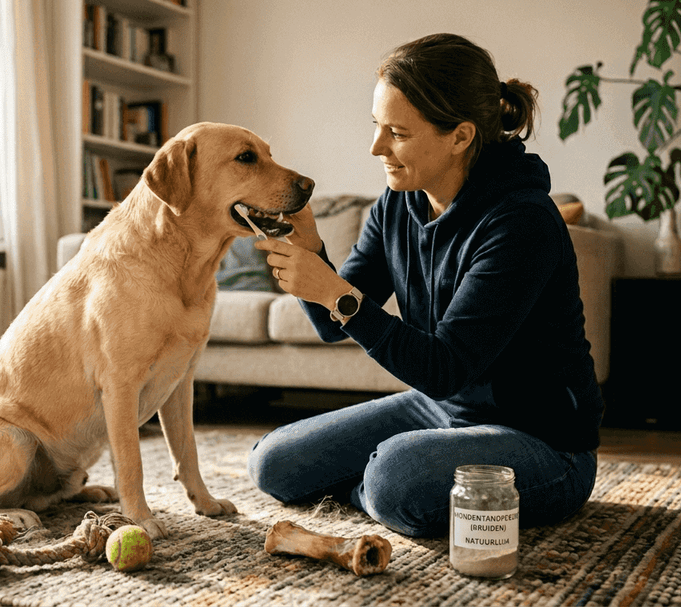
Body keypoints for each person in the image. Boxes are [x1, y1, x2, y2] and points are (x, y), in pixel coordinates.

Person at [246, 33, 603, 538]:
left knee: (395, 477)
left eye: (398, 132)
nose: (376, 148)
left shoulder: (521, 222)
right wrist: (312, 256)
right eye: (377, 126)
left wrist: (334, 292)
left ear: (460, 135)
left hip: (542, 439)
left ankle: (383, 488)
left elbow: (445, 367)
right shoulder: (398, 203)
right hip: (444, 411)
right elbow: (334, 326)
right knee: (274, 464)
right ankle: (385, 490)